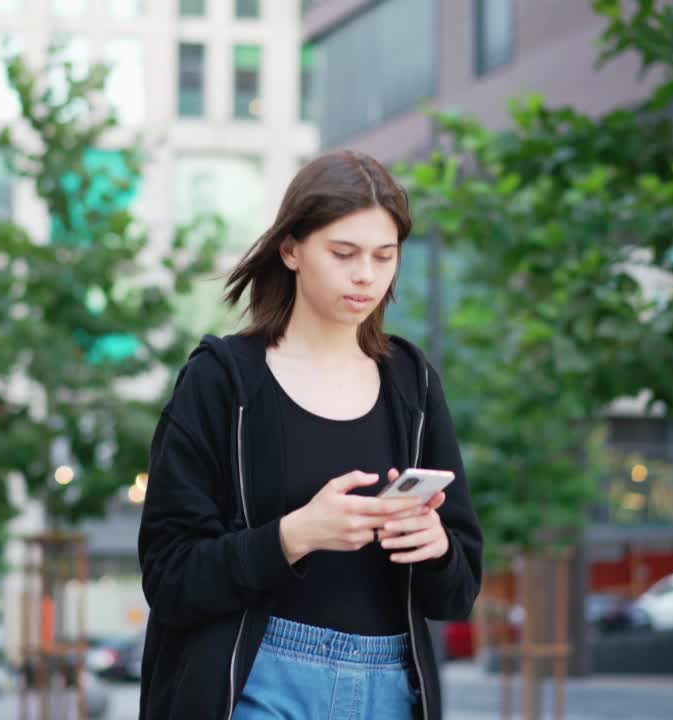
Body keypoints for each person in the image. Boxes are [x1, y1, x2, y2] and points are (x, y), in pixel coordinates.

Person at [138, 150, 483, 720]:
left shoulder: (412, 384)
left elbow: (457, 592)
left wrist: (436, 547)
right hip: (257, 683)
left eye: (384, 256)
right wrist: (294, 535)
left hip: (391, 688)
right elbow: (169, 575)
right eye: (343, 253)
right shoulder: (222, 381)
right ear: (291, 249)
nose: (365, 275)